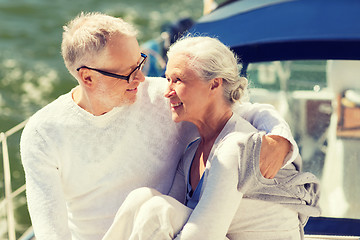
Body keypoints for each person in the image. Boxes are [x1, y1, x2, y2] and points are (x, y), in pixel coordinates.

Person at [20, 12, 297, 240]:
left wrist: (280, 139)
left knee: (152, 209)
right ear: (88, 78)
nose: (141, 78)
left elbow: (235, 109)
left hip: (162, 229)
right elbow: (51, 234)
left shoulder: (165, 97)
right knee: (145, 202)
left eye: (140, 62)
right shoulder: (43, 133)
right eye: (128, 72)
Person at [102, 36, 320, 240]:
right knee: (141, 198)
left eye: (178, 80)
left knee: (156, 211)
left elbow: (203, 235)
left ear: (215, 84)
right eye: (167, 79)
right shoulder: (191, 154)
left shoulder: (236, 145)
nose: (167, 91)